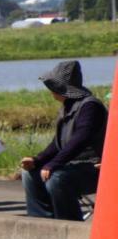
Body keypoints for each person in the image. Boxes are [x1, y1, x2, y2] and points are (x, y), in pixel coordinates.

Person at [20, 60, 107, 221]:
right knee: (29, 173)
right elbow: (58, 143)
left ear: (61, 87)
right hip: (70, 165)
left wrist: (54, 164)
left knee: (57, 179)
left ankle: (69, 223)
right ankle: (41, 221)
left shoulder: (90, 107)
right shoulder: (67, 106)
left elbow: (80, 139)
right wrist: (37, 159)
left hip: (93, 167)